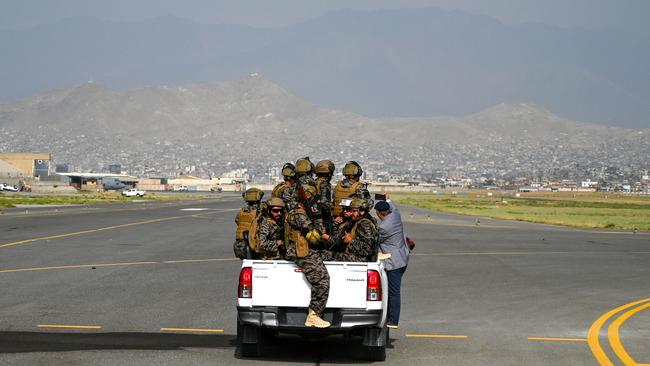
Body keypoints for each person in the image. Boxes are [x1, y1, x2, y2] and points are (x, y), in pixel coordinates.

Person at [284, 183, 332, 328]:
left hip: (302, 249)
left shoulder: (299, 211)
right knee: (322, 279)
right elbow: (313, 236)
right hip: (301, 252)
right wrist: (325, 235)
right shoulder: (299, 214)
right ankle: (314, 315)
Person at [374, 198, 409, 329]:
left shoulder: (384, 227)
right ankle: (389, 316)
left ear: (378, 213)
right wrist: (386, 198)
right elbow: (393, 205)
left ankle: (393, 320)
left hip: (394, 262)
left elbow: (374, 239)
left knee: (393, 292)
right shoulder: (395, 214)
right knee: (390, 290)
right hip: (402, 257)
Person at [233, 188, 264, 259]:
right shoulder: (260, 210)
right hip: (252, 243)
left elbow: (237, 221)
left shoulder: (242, 211)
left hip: (240, 244)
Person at [315, 159, 335, 233]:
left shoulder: (314, 182)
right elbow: (325, 203)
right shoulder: (325, 184)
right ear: (329, 173)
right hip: (322, 219)